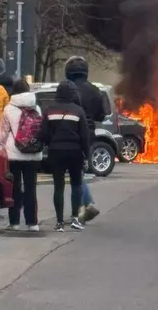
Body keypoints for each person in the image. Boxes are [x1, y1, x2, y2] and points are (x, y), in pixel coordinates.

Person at [39, 80, 91, 232]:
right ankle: (75, 218)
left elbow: (44, 133)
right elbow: (85, 136)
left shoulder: (50, 110)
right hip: (75, 153)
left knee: (58, 187)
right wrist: (86, 156)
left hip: (56, 152)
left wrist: (51, 144)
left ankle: (59, 222)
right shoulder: (78, 110)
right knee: (76, 185)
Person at [64, 56, 106, 222]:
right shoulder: (95, 90)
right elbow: (101, 115)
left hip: (71, 132)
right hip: (89, 135)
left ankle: (86, 205)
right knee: (78, 170)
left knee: (75, 173)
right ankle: (85, 206)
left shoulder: (68, 89)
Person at [0, 79, 43, 232]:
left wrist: (1, 148)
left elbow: (3, 134)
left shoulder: (8, 109)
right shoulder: (36, 107)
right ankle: (33, 223)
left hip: (14, 154)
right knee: (31, 188)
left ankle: (14, 222)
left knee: (15, 189)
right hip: (34, 153)